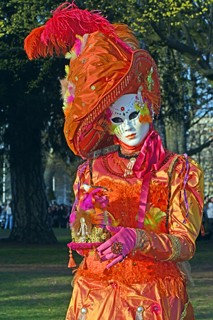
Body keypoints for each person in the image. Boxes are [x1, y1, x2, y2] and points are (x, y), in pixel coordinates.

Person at [24, 3, 204, 319]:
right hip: (94, 298)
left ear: (148, 103)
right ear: (108, 123)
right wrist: (88, 226)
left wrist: (136, 238)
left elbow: (184, 244)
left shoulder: (179, 170)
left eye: (134, 112)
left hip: (152, 300)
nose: (129, 124)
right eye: (119, 118)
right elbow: (83, 237)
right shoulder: (90, 172)